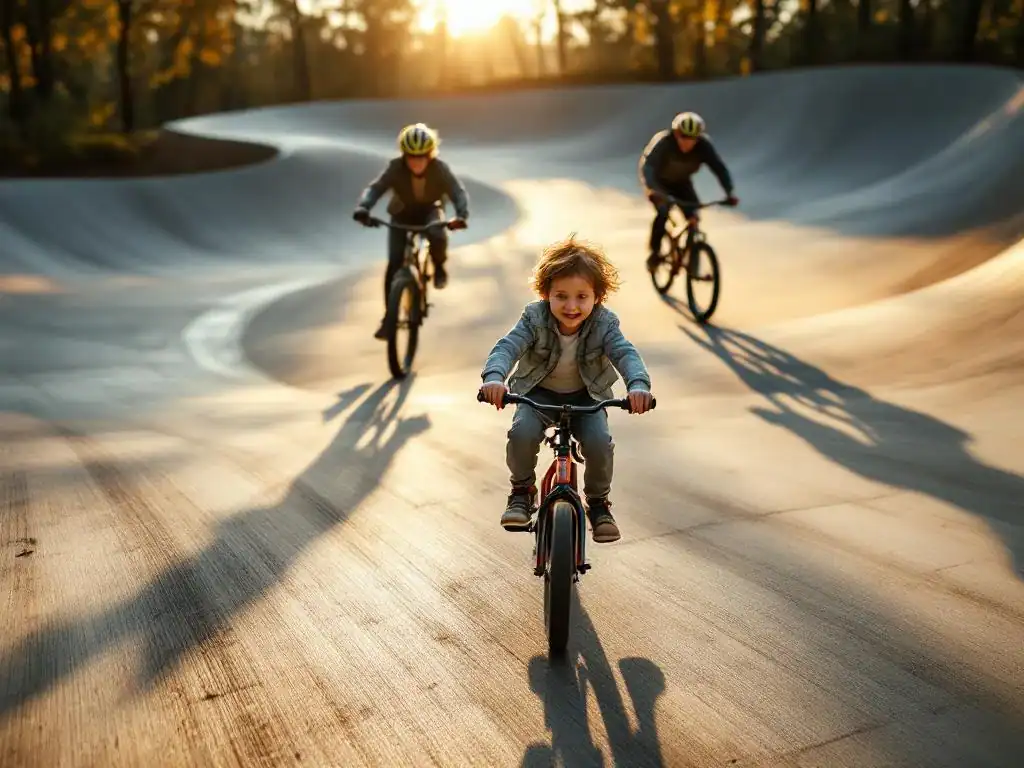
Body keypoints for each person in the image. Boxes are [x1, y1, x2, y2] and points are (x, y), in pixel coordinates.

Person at [478, 235, 655, 544]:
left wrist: (638, 386)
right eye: (561, 296)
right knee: (521, 433)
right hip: (538, 394)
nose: (571, 306)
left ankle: (598, 504)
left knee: (600, 443)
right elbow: (507, 348)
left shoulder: (605, 324)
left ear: (597, 297)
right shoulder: (534, 318)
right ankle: (522, 491)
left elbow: (626, 354)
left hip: (588, 397)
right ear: (546, 293)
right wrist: (494, 378)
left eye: (581, 297)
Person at [353, 122, 470, 339]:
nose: (416, 162)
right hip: (401, 213)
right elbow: (376, 188)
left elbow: (457, 191)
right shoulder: (396, 167)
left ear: (430, 155)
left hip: (430, 211)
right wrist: (363, 208)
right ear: (404, 156)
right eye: (411, 157)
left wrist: (461, 215)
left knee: (437, 234)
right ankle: (389, 319)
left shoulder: (440, 169)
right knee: (394, 264)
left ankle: (439, 265)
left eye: (421, 157)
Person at [638, 111, 739, 271]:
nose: (687, 143)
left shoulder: (704, 146)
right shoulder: (664, 142)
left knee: (693, 216)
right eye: (683, 137)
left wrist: (729, 193)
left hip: (682, 183)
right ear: (676, 134)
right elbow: (648, 167)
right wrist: (652, 190)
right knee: (663, 212)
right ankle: (655, 254)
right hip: (659, 184)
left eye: (692, 139)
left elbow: (719, 169)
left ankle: (693, 258)